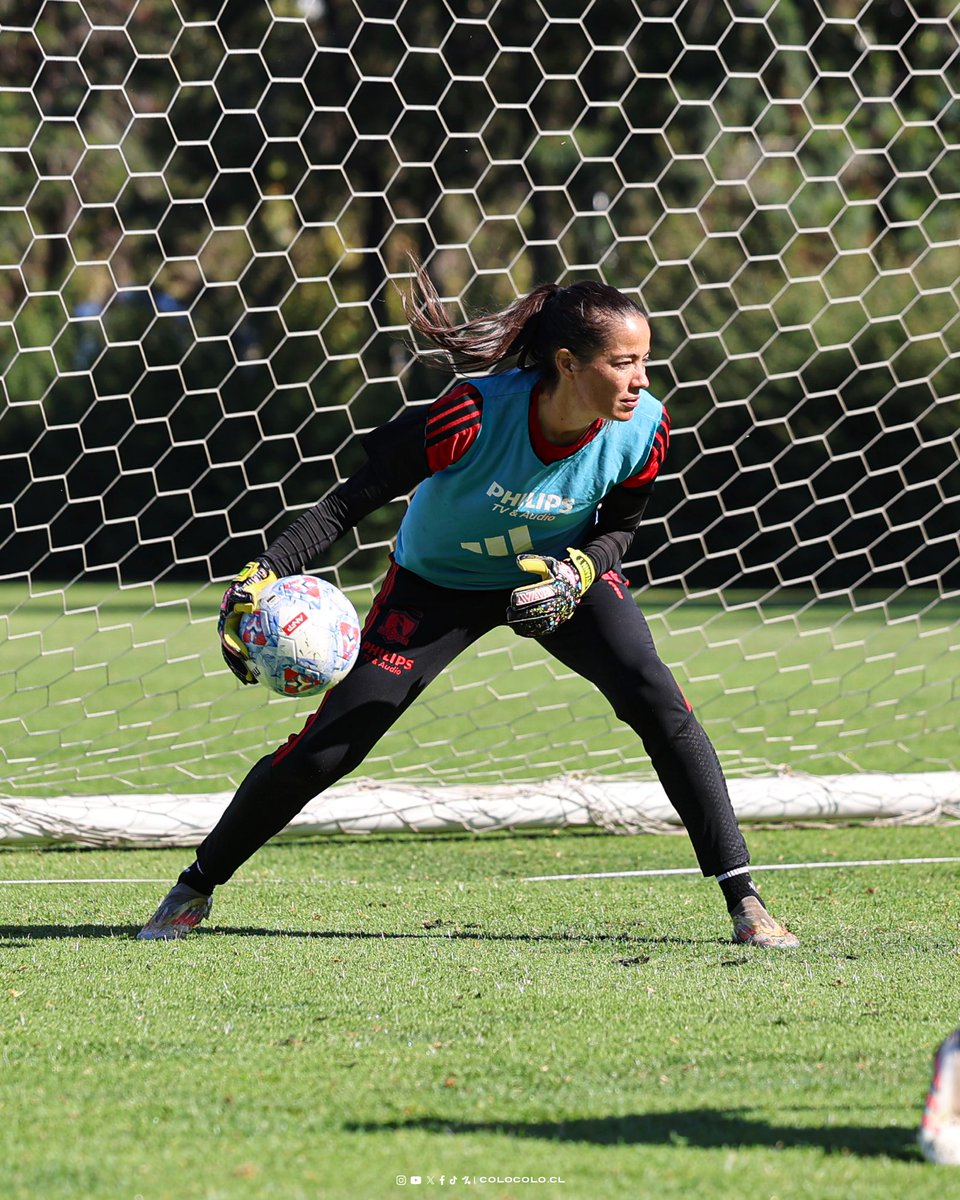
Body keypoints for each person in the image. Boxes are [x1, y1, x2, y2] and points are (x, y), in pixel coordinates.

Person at [138, 263, 799, 949]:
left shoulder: (644, 428)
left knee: (656, 698)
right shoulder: (472, 413)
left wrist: (580, 570)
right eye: (624, 363)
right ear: (569, 363)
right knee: (329, 748)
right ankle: (194, 888)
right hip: (436, 585)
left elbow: (620, 529)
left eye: (645, 362)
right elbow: (349, 501)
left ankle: (745, 902)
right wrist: (264, 572)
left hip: (558, 576)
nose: (641, 380)